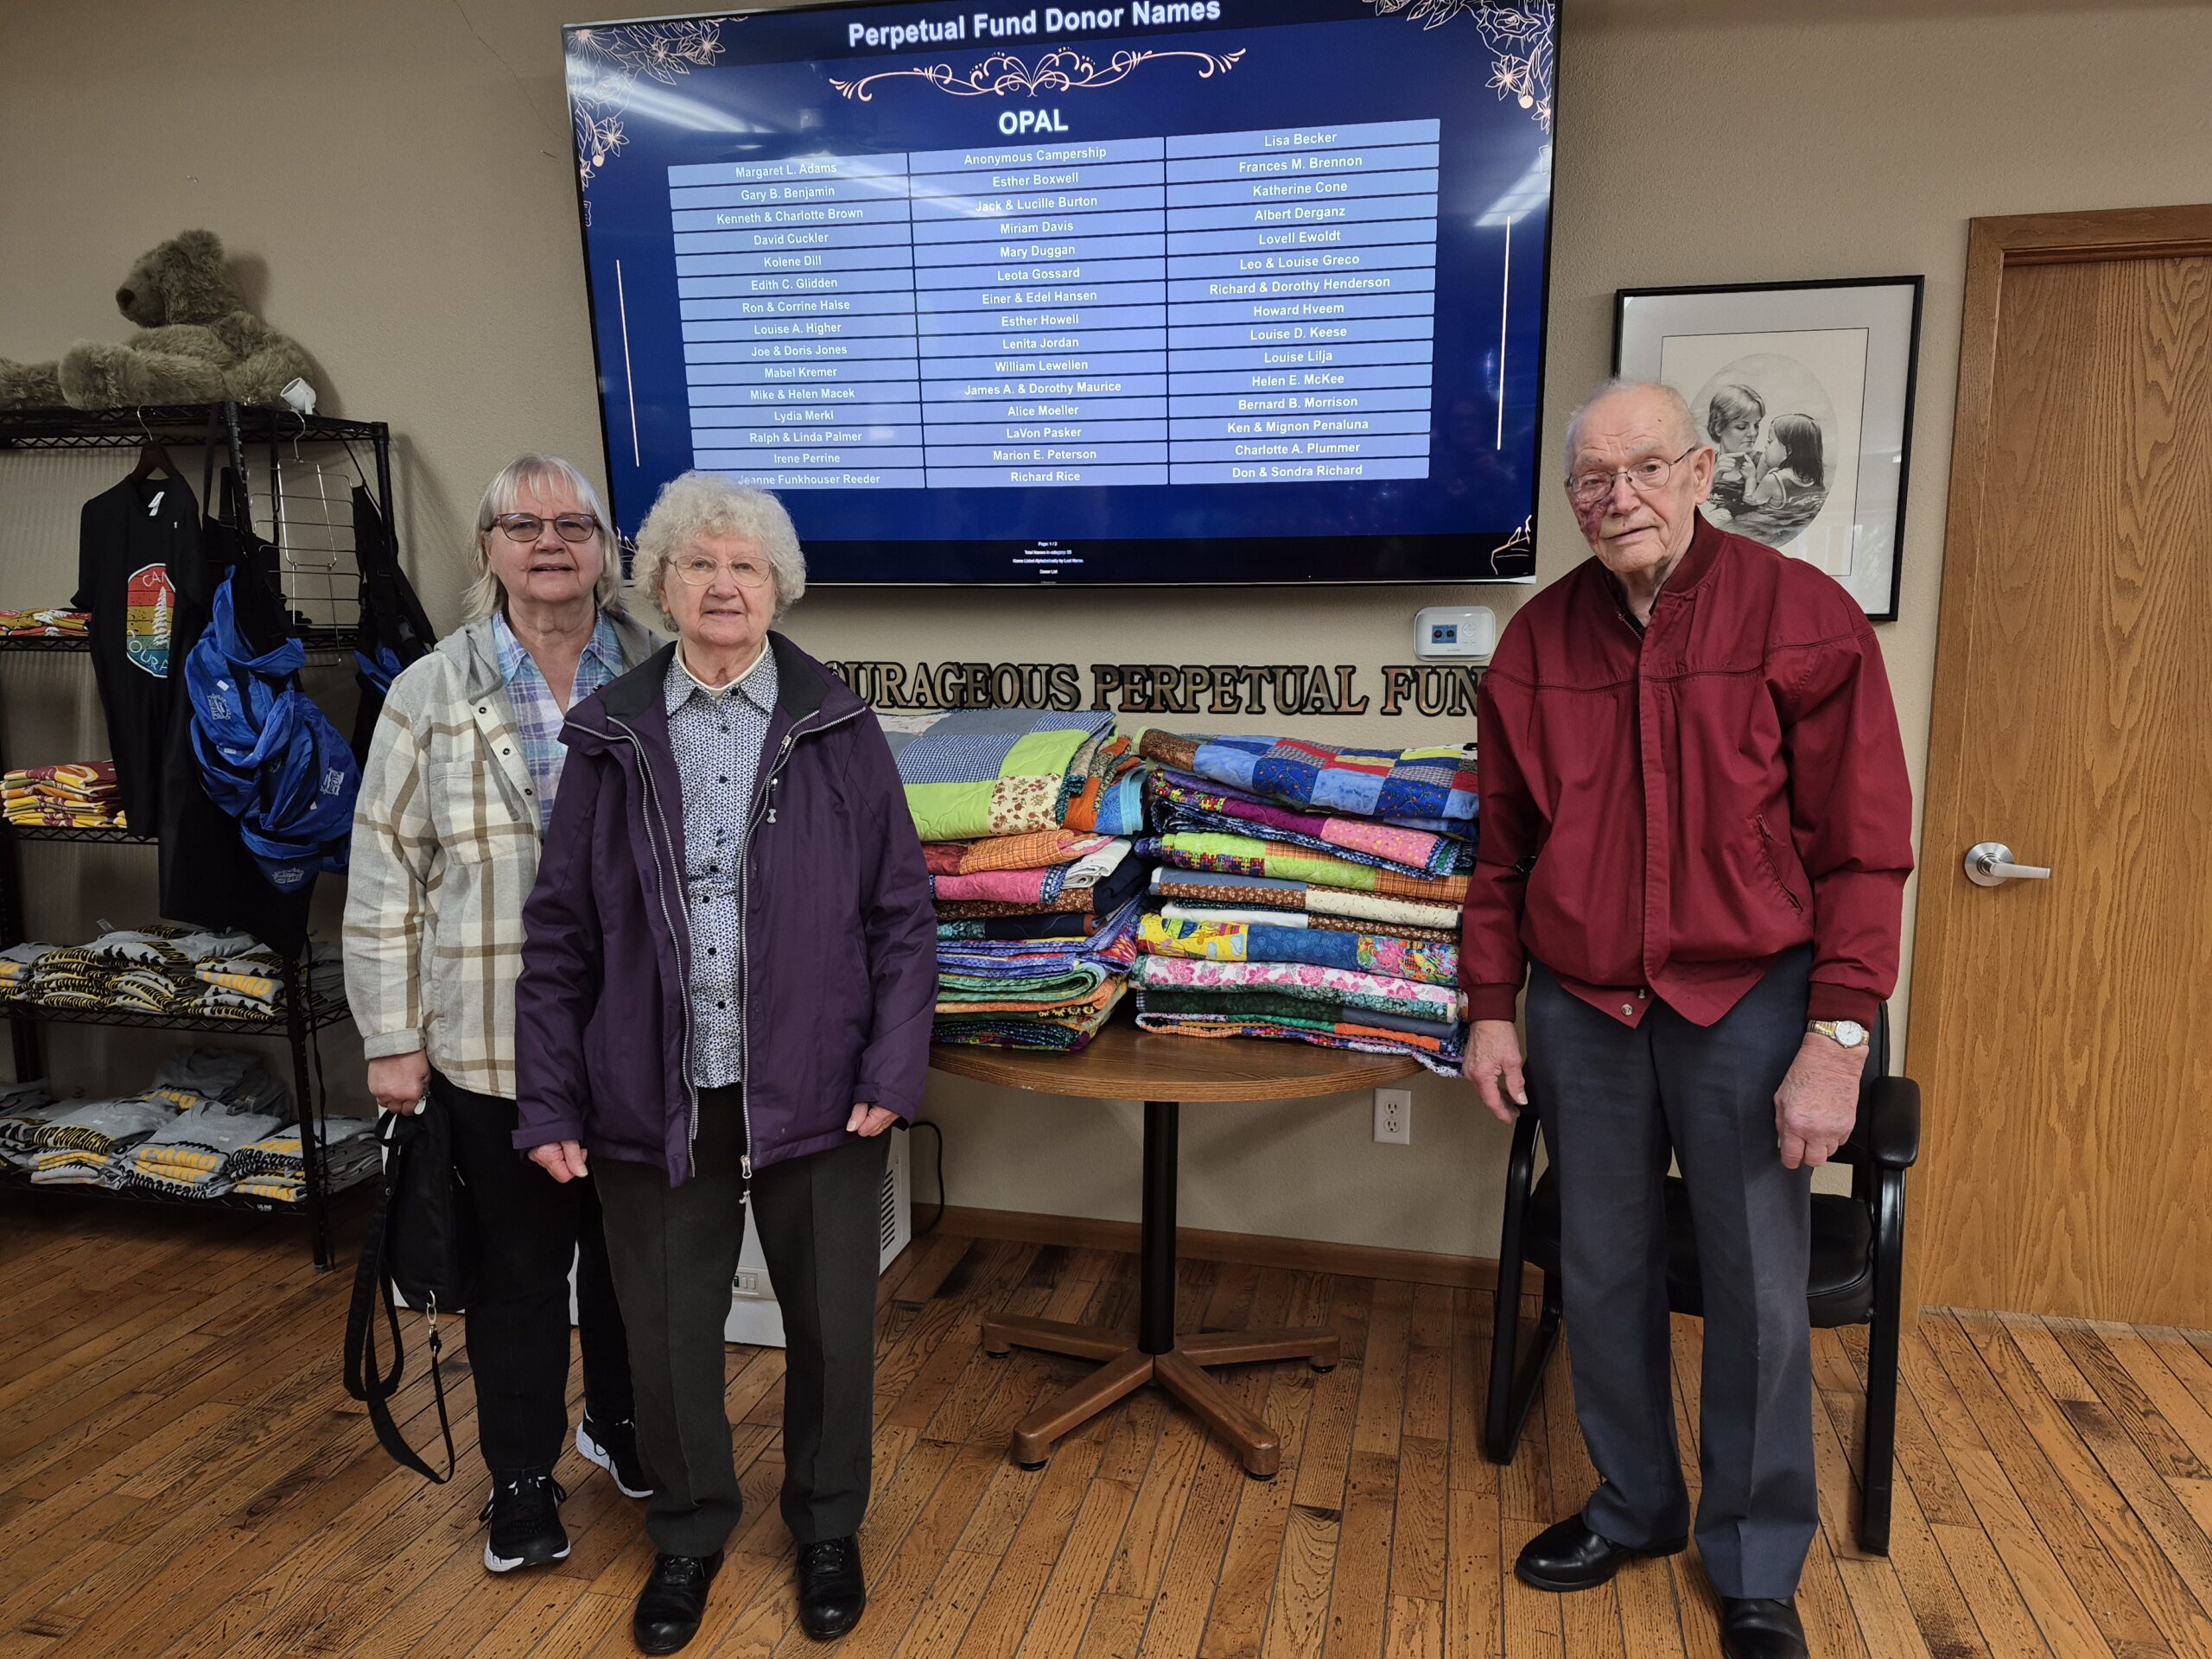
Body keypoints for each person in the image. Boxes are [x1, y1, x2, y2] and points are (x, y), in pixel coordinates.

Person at [1459, 381, 1912, 1659]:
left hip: (1750, 999)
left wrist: (1838, 1039)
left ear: (1704, 471)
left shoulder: (1804, 620)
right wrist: (1493, 1006)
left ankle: (1758, 1557)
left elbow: (1865, 854)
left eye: (1645, 468)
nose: (1619, 498)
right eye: (1592, 482)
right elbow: (1502, 854)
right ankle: (1637, 1503)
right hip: (1585, 1007)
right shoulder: (1537, 645)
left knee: (1757, 1282)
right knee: (1600, 1266)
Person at [512, 472, 936, 1656]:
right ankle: (689, 1534)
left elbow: (902, 914)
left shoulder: (837, 725)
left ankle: (828, 1527)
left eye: (745, 565)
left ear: (778, 587)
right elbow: (561, 935)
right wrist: (548, 1093)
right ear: (659, 584)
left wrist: (892, 1070)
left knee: (834, 1325)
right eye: (699, 564)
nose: (722, 585)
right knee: (661, 1326)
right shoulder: (609, 736)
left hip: (820, 1076)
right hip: (651, 1080)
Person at [346, 454, 662, 1574]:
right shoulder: (430, 692)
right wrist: (390, 1040)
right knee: (519, 1276)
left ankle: (621, 1431)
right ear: (487, 549)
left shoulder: (665, 676)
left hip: (641, 1042)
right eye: (521, 524)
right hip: (489, 1044)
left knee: (635, 1267)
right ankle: (521, 1484)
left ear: (605, 552)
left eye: (574, 523)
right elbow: (383, 877)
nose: (550, 542)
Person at [1702, 382, 1765, 520]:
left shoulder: (1763, 463)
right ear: (1718, 427)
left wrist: (1751, 479)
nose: (1753, 433)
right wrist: (1712, 479)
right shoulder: (1704, 464)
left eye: (1756, 425)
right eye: (1742, 426)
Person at [1742, 410, 1827, 510]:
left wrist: (1750, 478)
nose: (1765, 446)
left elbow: (1750, 504)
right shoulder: (1813, 478)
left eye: (1770, 442)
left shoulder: (1772, 480)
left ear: (1789, 450)